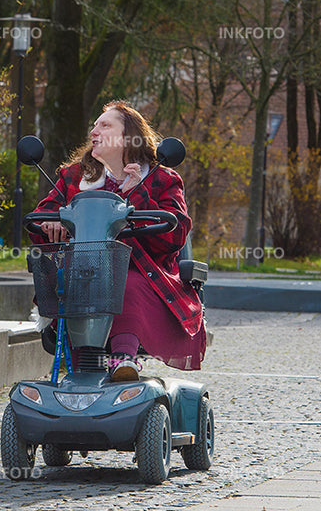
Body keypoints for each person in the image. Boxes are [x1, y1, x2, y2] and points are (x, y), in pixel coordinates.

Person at [31, 101, 205, 381]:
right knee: (85, 279)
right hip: (82, 270)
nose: (93, 131)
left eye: (105, 125)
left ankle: (123, 359)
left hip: (145, 274)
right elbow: (41, 216)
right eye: (94, 125)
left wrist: (138, 193)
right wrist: (49, 221)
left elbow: (176, 233)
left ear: (128, 136)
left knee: (122, 280)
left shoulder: (161, 178)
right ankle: (83, 372)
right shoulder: (74, 176)